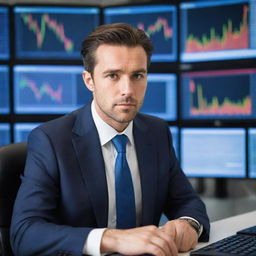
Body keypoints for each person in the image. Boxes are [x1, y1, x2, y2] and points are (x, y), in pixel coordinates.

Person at [10, 23, 210, 256]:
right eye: (113, 75)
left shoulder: (156, 132)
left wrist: (188, 224)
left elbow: (188, 202)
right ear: (89, 80)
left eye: (137, 75)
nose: (127, 90)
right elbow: (25, 233)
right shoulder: (51, 141)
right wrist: (111, 239)